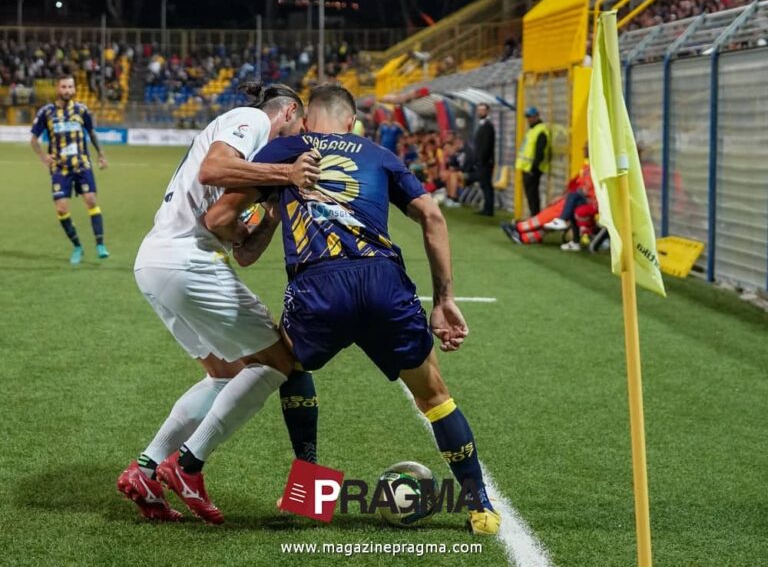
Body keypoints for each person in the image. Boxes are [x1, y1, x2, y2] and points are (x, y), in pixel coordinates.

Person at [204, 84, 501, 535]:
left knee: (289, 363)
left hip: (318, 287)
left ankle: (311, 493)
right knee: (435, 396)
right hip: (382, 280)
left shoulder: (284, 149)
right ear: (352, 122)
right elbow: (433, 216)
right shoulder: (379, 153)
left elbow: (222, 219)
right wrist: (443, 301)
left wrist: (258, 226)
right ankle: (480, 506)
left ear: (307, 121)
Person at [116, 83, 322, 525]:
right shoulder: (249, 121)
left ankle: (148, 468)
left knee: (226, 374)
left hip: (156, 262)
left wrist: (273, 210)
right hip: (187, 261)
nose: (294, 139)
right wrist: (287, 175)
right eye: (299, 126)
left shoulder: (249, 157)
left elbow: (242, 250)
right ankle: (189, 466)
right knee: (279, 363)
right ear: (287, 111)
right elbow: (213, 169)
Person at [30, 72, 109, 264]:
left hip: (82, 164)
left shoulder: (82, 111)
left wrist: (100, 155)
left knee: (91, 200)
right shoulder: (46, 112)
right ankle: (77, 247)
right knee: (61, 209)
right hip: (60, 168)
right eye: (64, 87)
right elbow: (33, 139)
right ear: (58, 88)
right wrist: (43, 157)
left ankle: (100, 244)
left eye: (70, 87)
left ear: (74, 89)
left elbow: (91, 133)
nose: (67, 90)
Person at [515, 106, 550, 216]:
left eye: (530, 117)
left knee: (533, 195)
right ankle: (533, 217)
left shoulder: (541, 131)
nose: (528, 119)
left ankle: (535, 217)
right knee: (530, 195)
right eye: (528, 117)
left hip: (533, 170)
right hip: (527, 168)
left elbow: (540, 152)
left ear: (537, 117)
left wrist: (533, 169)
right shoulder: (533, 130)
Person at [469, 103, 495, 216]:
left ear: (487, 111)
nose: (480, 112)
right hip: (481, 161)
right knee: (484, 185)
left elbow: (487, 145)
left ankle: (489, 209)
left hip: (485, 162)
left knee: (487, 185)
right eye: (479, 110)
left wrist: (482, 160)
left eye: (482, 110)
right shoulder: (481, 125)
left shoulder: (488, 126)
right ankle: (486, 207)